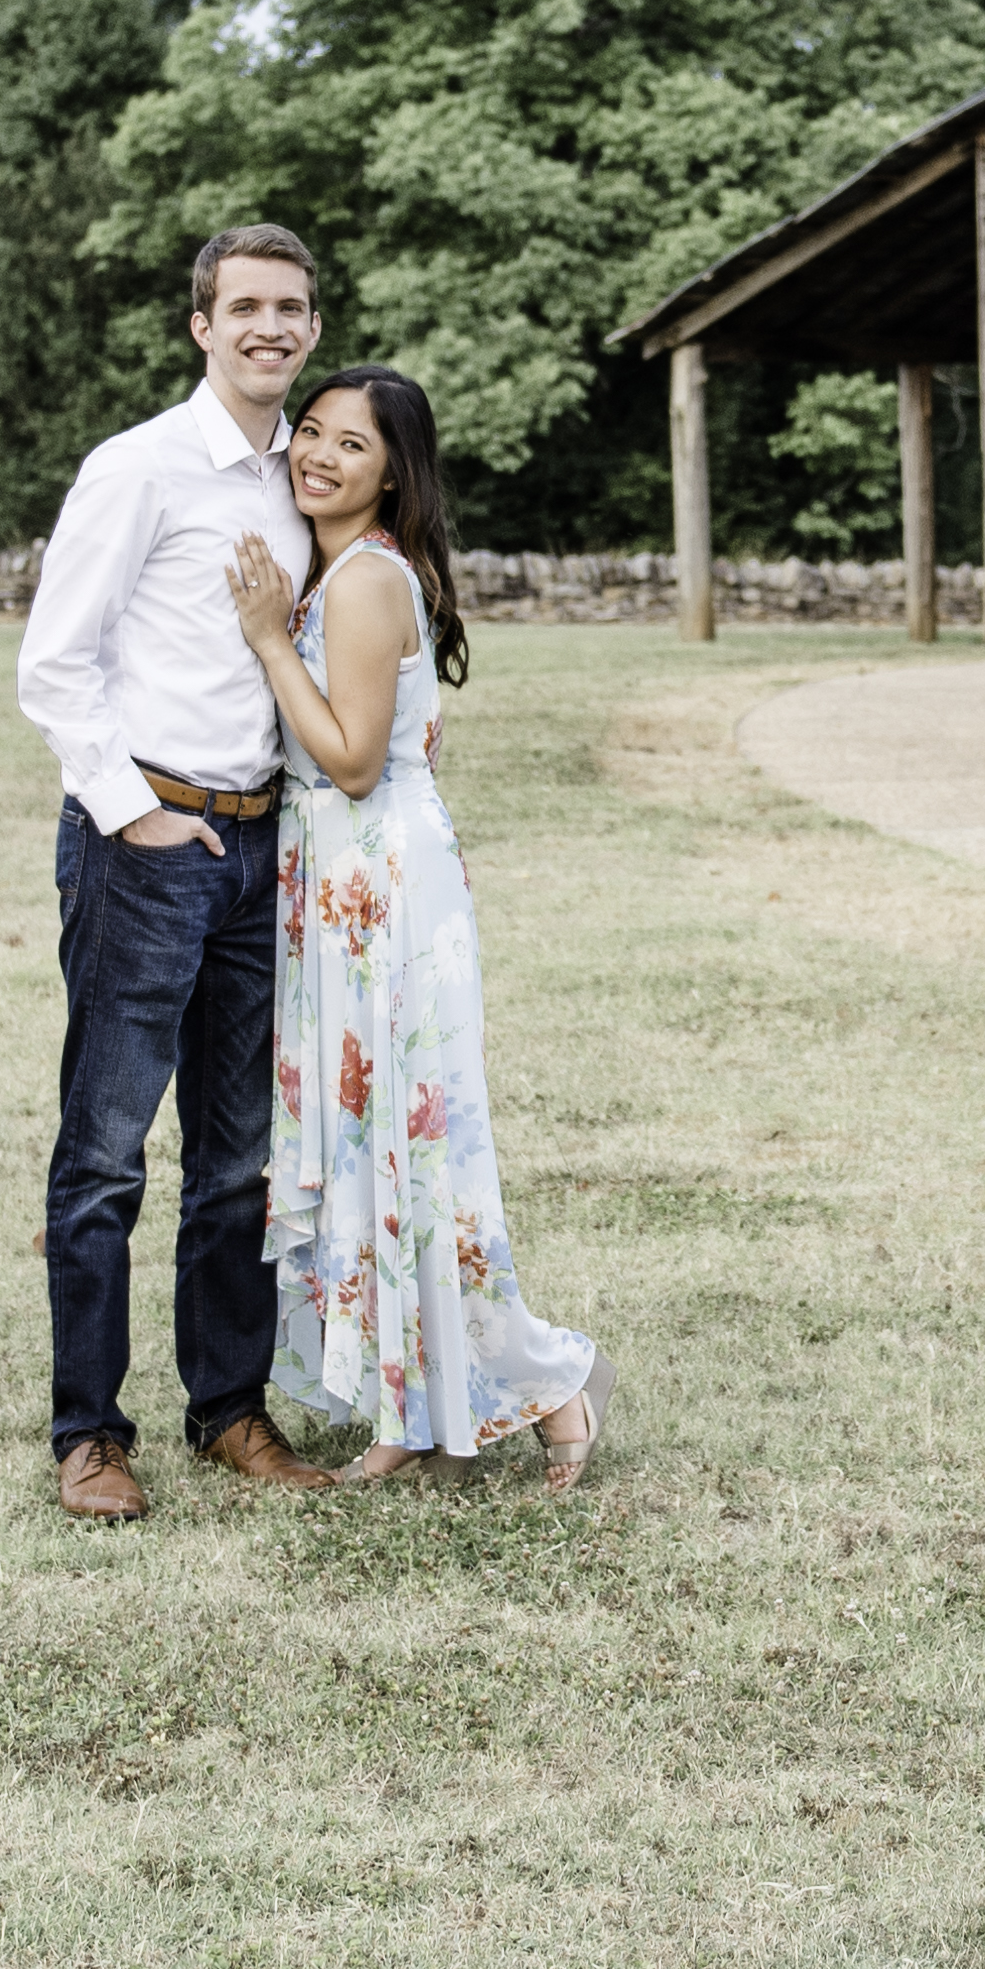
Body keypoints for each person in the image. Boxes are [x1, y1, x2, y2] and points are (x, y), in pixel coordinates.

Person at [221, 364, 615, 1490]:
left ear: (393, 473)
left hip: (381, 888)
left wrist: (264, 641)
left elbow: (347, 760)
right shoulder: (345, 568)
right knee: (373, 1151)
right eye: (313, 431)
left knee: (414, 1152)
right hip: (352, 884)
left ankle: (551, 1383)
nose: (320, 454)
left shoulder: (359, 583)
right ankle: (401, 1407)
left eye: (354, 443)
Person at [11, 226, 341, 1520]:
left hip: (261, 845)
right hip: (149, 843)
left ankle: (231, 1410)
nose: (272, 325)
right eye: (247, 305)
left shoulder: (301, 479)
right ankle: (89, 1434)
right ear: (201, 322)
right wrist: (130, 813)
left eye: (293, 307)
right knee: (104, 1152)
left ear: (313, 326)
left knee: (238, 1159)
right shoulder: (138, 468)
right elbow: (54, 660)